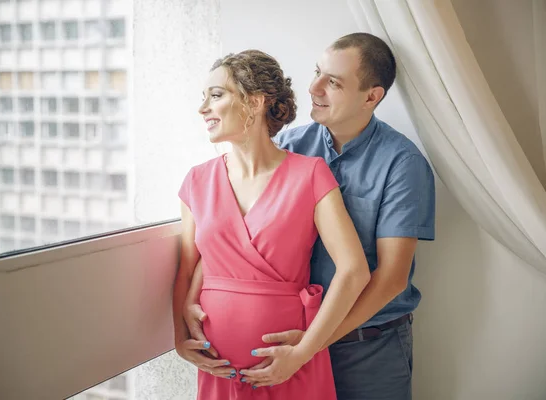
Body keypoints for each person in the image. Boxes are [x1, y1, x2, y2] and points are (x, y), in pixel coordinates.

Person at [183, 33, 436, 399]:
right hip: (290, 344)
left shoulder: (402, 164)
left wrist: (311, 346)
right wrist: (193, 296)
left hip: (367, 346)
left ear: (371, 96)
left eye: (332, 82)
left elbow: (392, 278)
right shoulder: (288, 146)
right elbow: (229, 235)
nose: (314, 87)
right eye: (318, 72)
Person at [173, 49, 371, 400]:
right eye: (203, 98)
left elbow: (354, 271)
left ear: (255, 102)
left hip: (289, 365)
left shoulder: (310, 175)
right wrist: (179, 339)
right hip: (217, 368)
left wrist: (302, 353)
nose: (203, 108)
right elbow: (188, 268)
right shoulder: (196, 181)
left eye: (216, 95)